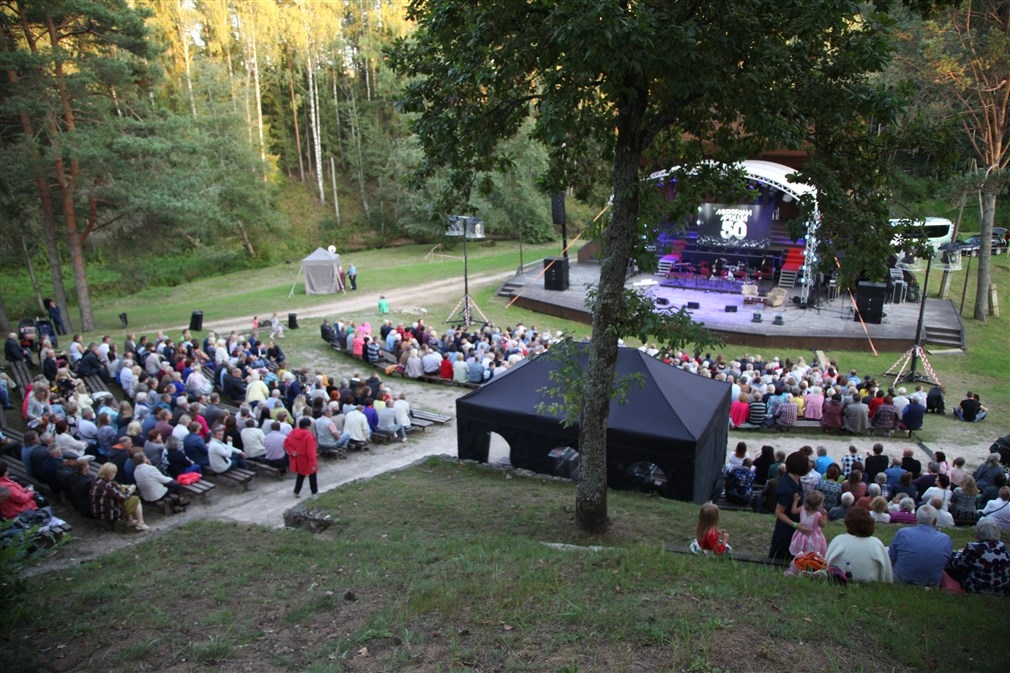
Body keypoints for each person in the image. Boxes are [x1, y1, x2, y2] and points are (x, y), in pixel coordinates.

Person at [887, 504, 952, 586]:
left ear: (916, 518)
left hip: (901, 579)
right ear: (935, 521)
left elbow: (891, 557)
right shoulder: (945, 539)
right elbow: (945, 564)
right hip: (931, 583)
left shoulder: (903, 533)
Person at [825, 507, 893, 583]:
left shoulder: (838, 540)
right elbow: (887, 572)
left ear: (847, 522)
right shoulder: (877, 543)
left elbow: (825, 563)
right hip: (869, 583)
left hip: (837, 580)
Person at [943, 518, 1010, 595]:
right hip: (1002, 588)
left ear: (979, 532)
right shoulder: (1003, 547)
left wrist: (955, 554)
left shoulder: (974, 547)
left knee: (950, 561)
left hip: (977, 587)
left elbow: (957, 565)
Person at [768, 451, 809, 561]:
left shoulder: (794, 479)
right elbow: (779, 512)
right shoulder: (787, 489)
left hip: (793, 526)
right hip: (786, 530)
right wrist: (796, 525)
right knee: (780, 558)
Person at [90, 462, 149, 531]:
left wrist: (121, 486)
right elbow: (121, 498)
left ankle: (130, 520)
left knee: (125, 494)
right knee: (136, 499)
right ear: (110, 473)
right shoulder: (108, 485)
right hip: (108, 512)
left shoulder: (96, 480)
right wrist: (130, 490)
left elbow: (112, 491)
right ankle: (140, 523)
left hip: (98, 509)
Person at [284, 417, 318, 497]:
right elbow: (311, 452)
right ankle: (314, 492)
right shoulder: (309, 436)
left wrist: (292, 451)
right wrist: (313, 463)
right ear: (307, 426)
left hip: (298, 458)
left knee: (301, 474)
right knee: (312, 474)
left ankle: (296, 491)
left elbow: (286, 443)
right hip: (306, 458)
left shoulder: (293, 432)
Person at [789, 489, 827, 557]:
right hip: (813, 537)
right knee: (811, 554)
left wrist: (795, 501)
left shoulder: (802, 508)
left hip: (801, 535)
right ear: (819, 504)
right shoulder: (818, 515)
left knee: (799, 554)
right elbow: (822, 525)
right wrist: (824, 516)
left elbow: (793, 511)